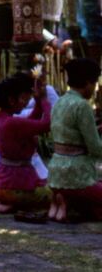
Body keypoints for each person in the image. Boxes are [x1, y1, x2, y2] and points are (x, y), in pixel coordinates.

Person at [0, 72, 51, 215]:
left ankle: (11, 205)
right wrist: (45, 100)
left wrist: (38, 101)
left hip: (2, 186)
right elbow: (46, 124)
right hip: (15, 187)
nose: (26, 103)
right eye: (23, 98)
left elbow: (31, 123)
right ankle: (16, 204)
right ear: (11, 100)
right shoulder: (11, 123)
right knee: (58, 195)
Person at [48, 58, 102, 221]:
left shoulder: (60, 102)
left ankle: (64, 201)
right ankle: (71, 202)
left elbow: (68, 135)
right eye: (94, 84)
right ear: (87, 83)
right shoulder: (82, 105)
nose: (94, 89)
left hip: (56, 173)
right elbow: (95, 148)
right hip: (77, 176)